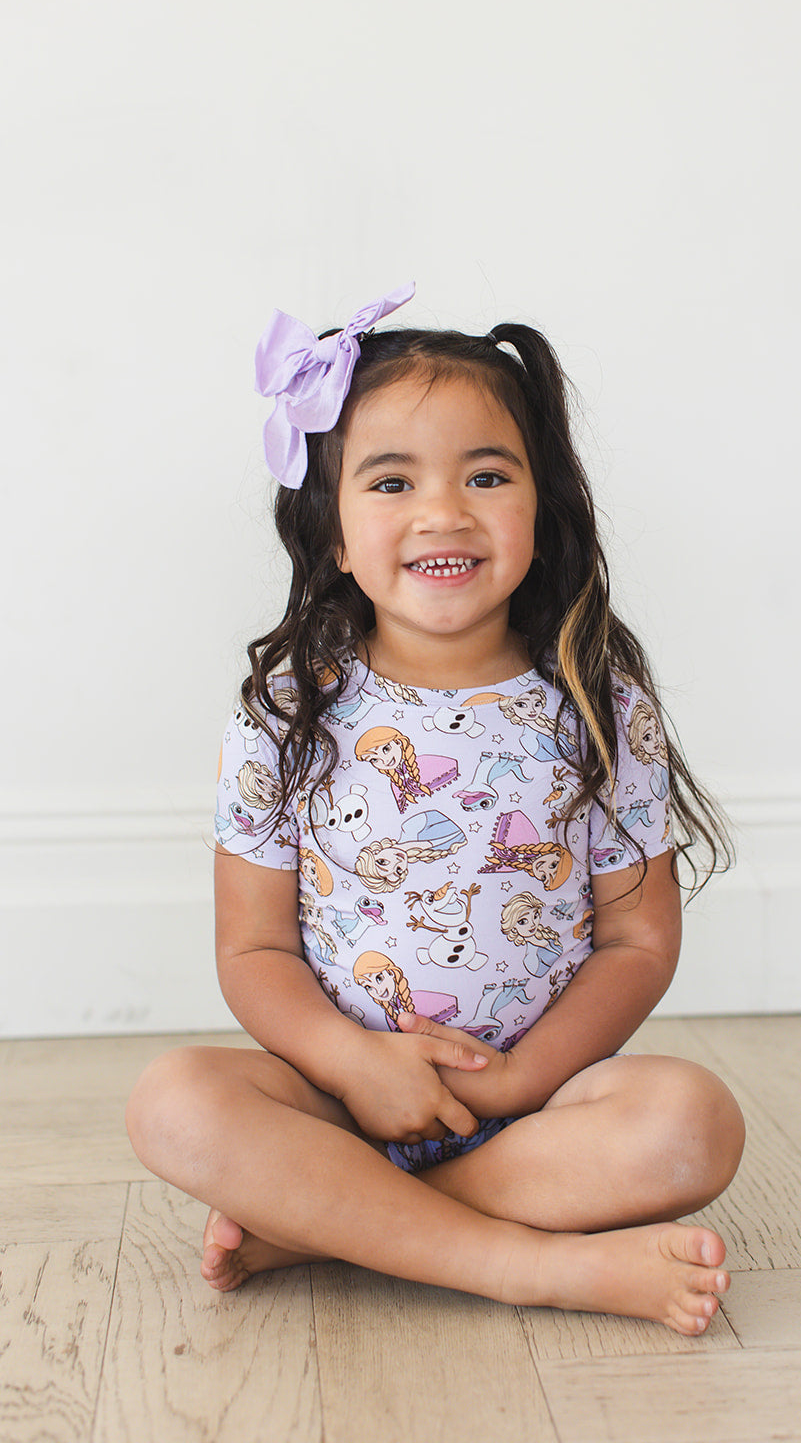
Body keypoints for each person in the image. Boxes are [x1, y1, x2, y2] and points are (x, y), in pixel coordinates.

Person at [126, 284, 746, 1336]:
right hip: (339, 1105)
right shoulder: (288, 708)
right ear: (331, 531)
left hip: (536, 1110)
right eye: (391, 481)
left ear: (541, 505)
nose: (443, 511)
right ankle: (527, 1264)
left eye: (487, 475)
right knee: (174, 1100)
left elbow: (637, 941)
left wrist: (517, 1081)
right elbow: (253, 950)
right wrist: (353, 1067)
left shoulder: (599, 705)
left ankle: (333, 1227)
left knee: (691, 1122)